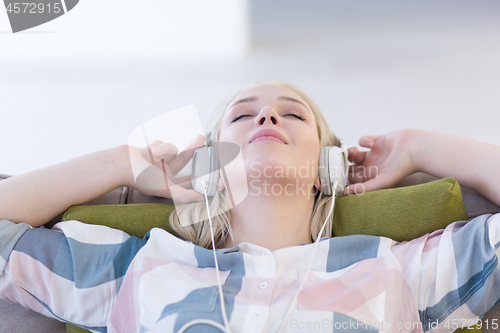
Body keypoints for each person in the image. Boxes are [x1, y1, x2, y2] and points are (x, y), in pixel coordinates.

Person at [0, 80, 499, 332]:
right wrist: (126, 163)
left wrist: (419, 146)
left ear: (329, 166)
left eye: (292, 115)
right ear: (209, 166)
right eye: (244, 114)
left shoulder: (393, 269)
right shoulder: (141, 268)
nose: (267, 115)